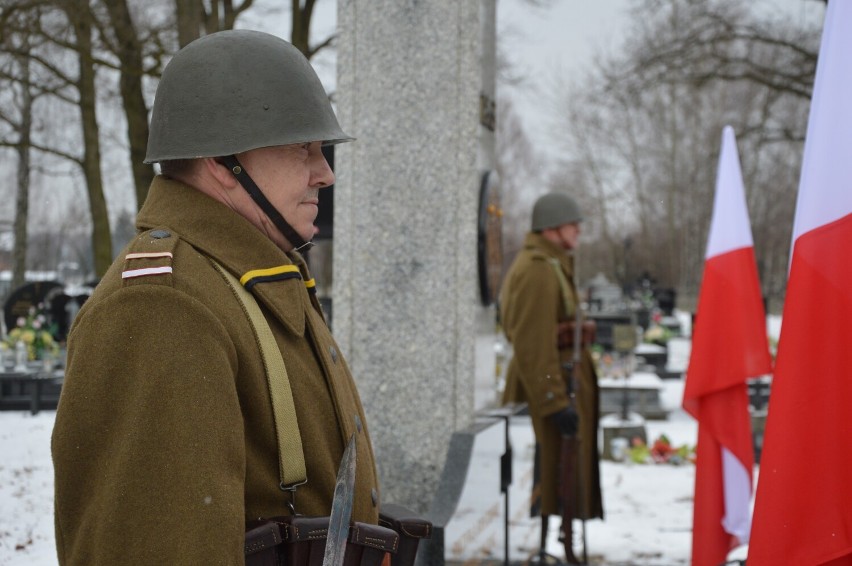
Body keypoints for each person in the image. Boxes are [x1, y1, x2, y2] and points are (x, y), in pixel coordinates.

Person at [51, 30, 380, 564]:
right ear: (220, 160)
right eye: (302, 146)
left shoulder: (247, 278)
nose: (325, 173)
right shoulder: (164, 305)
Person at [500, 192, 603, 564]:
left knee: (566, 469)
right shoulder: (538, 269)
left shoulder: (552, 264)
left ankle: (561, 538)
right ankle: (554, 544)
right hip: (552, 387)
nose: (578, 230)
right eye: (573, 223)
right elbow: (533, 342)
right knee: (555, 469)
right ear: (553, 227)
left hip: (563, 382)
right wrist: (553, 401)